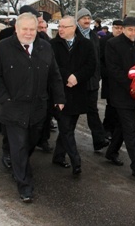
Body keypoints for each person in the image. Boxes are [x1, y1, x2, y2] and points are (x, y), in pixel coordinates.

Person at [0, 12, 65, 203]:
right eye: (25, 29)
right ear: (16, 29)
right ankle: (24, 185)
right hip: (13, 107)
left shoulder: (44, 47)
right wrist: (4, 99)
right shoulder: (3, 48)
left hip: (38, 108)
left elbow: (54, 74)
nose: (29, 33)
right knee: (19, 145)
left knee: (31, 141)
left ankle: (15, 161)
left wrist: (59, 97)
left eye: (32, 29)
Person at [104, 16, 135, 178]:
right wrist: (130, 84)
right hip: (121, 93)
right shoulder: (113, 44)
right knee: (130, 128)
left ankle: (111, 152)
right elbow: (112, 68)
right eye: (130, 29)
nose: (133, 33)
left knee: (123, 126)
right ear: (123, 29)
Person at [50, 16, 96, 175]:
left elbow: (91, 66)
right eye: (59, 26)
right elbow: (51, 65)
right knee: (65, 127)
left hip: (77, 92)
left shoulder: (86, 44)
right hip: (59, 92)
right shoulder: (52, 45)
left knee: (69, 126)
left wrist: (77, 77)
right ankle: (76, 160)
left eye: (65, 27)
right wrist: (67, 76)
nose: (60, 29)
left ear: (73, 28)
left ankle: (58, 155)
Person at [75, 8, 109, 152]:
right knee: (73, 114)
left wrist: (98, 75)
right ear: (78, 20)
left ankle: (99, 140)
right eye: (84, 18)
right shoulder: (73, 35)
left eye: (89, 18)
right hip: (77, 81)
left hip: (92, 81)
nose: (87, 21)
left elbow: (98, 57)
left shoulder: (94, 36)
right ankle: (62, 148)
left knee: (92, 110)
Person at [100, 20, 123, 139]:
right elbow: (100, 59)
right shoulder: (105, 41)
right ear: (112, 28)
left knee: (120, 106)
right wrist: (106, 73)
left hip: (121, 80)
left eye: (121, 28)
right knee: (111, 105)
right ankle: (107, 128)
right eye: (116, 28)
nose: (119, 30)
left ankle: (117, 130)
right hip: (109, 78)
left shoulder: (125, 41)